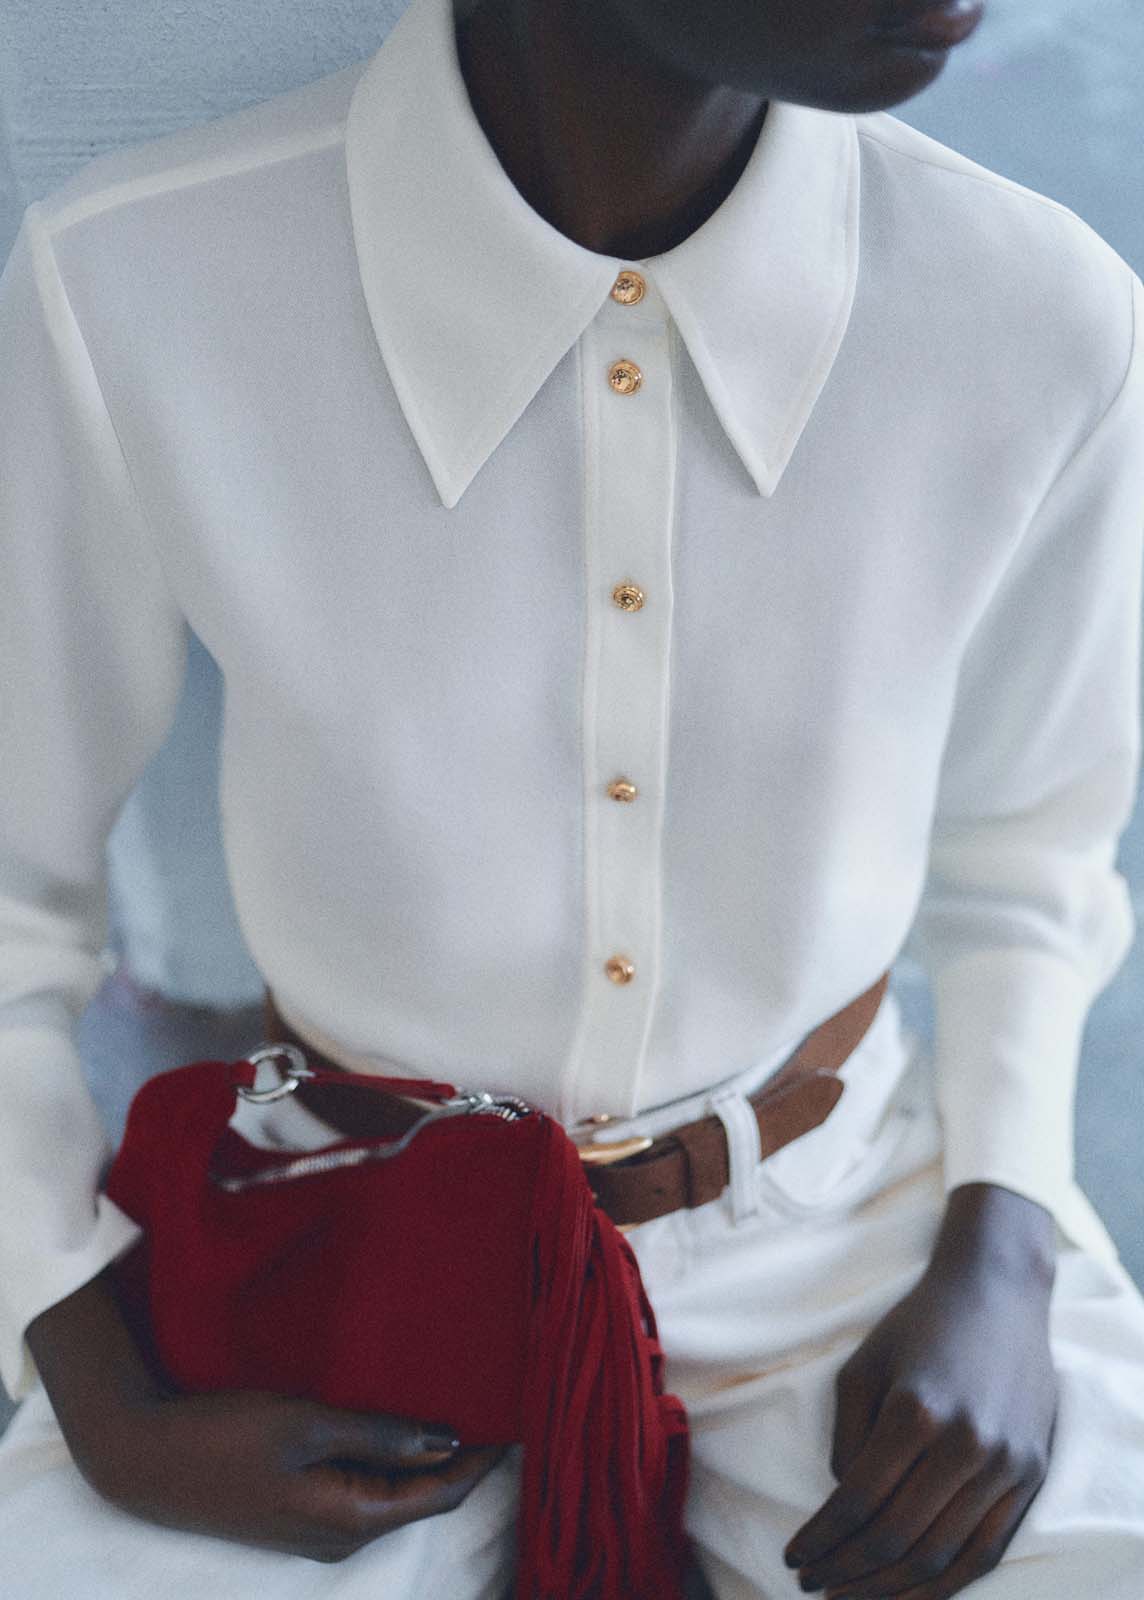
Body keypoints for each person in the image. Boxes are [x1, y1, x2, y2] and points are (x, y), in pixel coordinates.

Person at [0, 0, 1143, 1594]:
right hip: (324, 1238)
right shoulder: (132, 281)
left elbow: (1031, 854)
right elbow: (12, 897)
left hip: (858, 1242)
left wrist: (1009, 1253)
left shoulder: (1045, 314)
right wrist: (82, 1364)